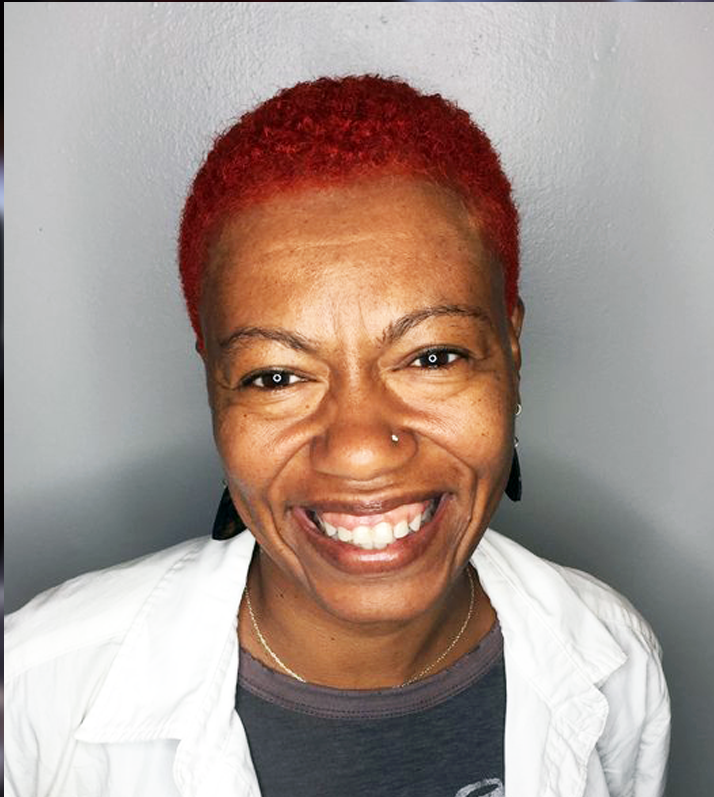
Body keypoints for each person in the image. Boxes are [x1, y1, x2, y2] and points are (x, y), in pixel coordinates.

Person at [4, 75, 670, 797]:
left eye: (433, 356)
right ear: (213, 386)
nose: (357, 446)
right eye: (276, 376)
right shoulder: (33, 693)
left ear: (511, 353)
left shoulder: (614, 660)